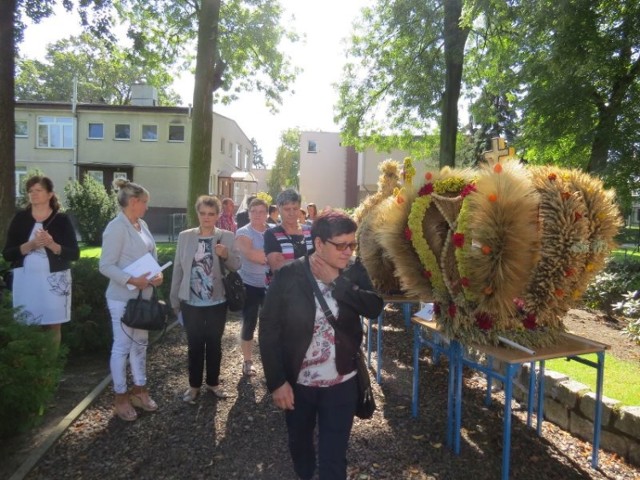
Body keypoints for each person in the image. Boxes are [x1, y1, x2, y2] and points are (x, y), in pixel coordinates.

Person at [259, 210, 383, 480]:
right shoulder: (289, 275)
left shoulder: (353, 271)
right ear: (318, 243)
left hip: (342, 382)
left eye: (352, 244)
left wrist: (336, 282)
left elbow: (374, 307)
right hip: (298, 384)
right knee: (300, 447)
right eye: (341, 245)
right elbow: (268, 330)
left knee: (334, 457)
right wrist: (277, 381)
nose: (348, 251)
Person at [99, 178, 164, 422]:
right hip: (123, 299)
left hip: (144, 297)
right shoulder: (116, 227)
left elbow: (150, 256)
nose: (147, 207)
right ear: (134, 202)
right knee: (122, 347)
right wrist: (130, 280)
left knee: (141, 345)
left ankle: (140, 390)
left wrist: (157, 275)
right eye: (145, 202)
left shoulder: (141, 224)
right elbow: (105, 265)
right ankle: (120, 397)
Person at [170, 195, 241, 404]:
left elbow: (236, 266)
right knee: (194, 345)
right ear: (197, 213)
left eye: (211, 214)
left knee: (214, 344)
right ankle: (193, 386)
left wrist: (226, 254)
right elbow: (177, 269)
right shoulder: (185, 236)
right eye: (202, 213)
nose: (206, 218)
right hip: (190, 302)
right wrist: (174, 300)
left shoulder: (226, 236)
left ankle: (213, 383)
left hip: (216, 302)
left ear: (218, 215)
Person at [2, 175, 79, 350]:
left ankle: (50, 368)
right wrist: (31, 245)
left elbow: (74, 253)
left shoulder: (61, 220)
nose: (33, 194)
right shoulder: (21, 219)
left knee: (53, 324)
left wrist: (52, 245)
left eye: (38, 190)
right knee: (28, 323)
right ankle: (33, 368)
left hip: (55, 281)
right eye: (30, 191)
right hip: (26, 281)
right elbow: (7, 254)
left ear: (50, 194)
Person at [234, 198, 269, 376]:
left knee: (271, 324)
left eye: (261, 211)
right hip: (249, 285)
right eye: (253, 211)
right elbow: (249, 254)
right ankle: (248, 361)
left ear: (267, 214)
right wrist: (272, 256)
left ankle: (271, 360)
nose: (257, 215)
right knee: (249, 322)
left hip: (271, 286)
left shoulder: (272, 231)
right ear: (248, 213)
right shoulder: (243, 232)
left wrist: (267, 256)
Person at [263, 189, 314, 280]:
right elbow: (277, 268)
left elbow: (322, 260)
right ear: (279, 209)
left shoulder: (310, 231)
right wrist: (310, 262)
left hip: (310, 290)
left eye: (295, 208)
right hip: (284, 291)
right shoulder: (271, 234)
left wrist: (288, 262)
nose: (291, 213)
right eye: (287, 209)